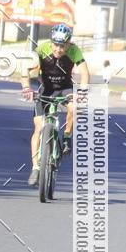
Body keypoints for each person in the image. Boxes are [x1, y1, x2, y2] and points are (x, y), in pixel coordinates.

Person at [21, 24, 90, 187]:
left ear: (68, 44)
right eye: (56, 45)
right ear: (51, 42)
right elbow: (25, 69)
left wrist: (82, 91)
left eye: (63, 45)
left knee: (74, 108)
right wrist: (26, 87)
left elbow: (85, 73)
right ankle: (36, 168)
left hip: (65, 88)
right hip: (46, 89)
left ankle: (66, 137)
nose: (59, 49)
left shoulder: (74, 51)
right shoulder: (42, 49)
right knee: (38, 128)